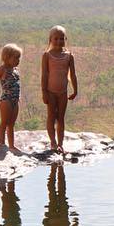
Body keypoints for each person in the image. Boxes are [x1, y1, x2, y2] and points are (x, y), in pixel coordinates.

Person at [40, 25, 78, 154]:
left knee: (60, 118)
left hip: (63, 92)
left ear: (65, 39)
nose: (59, 41)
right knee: (51, 116)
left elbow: (72, 74)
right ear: (50, 39)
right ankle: (53, 142)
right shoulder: (47, 55)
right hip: (50, 92)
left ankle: (61, 144)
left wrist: (75, 90)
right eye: (56, 38)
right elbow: (44, 75)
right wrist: (44, 92)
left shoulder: (69, 56)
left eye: (61, 38)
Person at [0, 43, 23, 150]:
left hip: (15, 100)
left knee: (12, 124)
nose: (18, 60)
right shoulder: (2, 69)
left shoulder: (15, 70)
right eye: (16, 58)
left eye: (19, 58)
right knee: (4, 122)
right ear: (7, 57)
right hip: (6, 99)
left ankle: (12, 145)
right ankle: (2, 144)